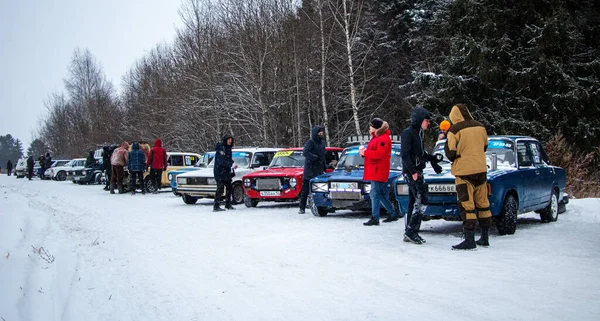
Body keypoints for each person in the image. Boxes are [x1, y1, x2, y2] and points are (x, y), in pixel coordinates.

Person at [444, 103, 491, 250]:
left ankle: (469, 239)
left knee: (467, 205)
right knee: (483, 203)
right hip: (481, 170)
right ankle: (484, 237)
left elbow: (451, 152)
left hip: (464, 172)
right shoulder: (480, 126)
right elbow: (485, 146)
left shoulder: (454, 130)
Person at [401, 106, 443, 244]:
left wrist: (433, 159)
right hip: (411, 172)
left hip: (417, 170)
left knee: (413, 200)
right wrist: (412, 171)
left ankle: (409, 229)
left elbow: (421, 154)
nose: (428, 123)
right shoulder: (408, 133)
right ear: (420, 120)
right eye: (426, 120)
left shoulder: (420, 134)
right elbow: (405, 155)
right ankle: (411, 231)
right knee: (422, 199)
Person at [359, 118, 400, 226]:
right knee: (379, 193)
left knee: (375, 193)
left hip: (378, 170)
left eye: (371, 126)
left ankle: (375, 217)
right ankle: (392, 213)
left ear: (375, 128)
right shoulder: (378, 138)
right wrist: (364, 153)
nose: (369, 128)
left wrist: (366, 152)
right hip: (376, 169)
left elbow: (379, 154)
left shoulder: (382, 139)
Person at [298, 126, 327, 214]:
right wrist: (314, 158)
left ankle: (319, 205)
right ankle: (302, 207)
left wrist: (325, 165)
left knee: (319, 188)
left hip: (319, 169)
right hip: (310, 169)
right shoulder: (310, 142)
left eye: (322, 133)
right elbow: (305, 152)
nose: (321, 135)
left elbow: (323, 156)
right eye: (320, 133)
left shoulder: (322, 143)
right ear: (316, 133)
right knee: (305, 189)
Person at [213, 134, 237, 212]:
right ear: (225, 140)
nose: (230, 141)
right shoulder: (221, 148)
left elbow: (228, 159)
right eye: (228, 139)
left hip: (226, 171)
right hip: (219, 171)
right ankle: (216, 205)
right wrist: (231, 164)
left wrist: (232, 163)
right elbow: (221, 161)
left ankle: (228, 204)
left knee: (229, 187)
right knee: (220, 188)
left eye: (231, 140)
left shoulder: (228, 148)